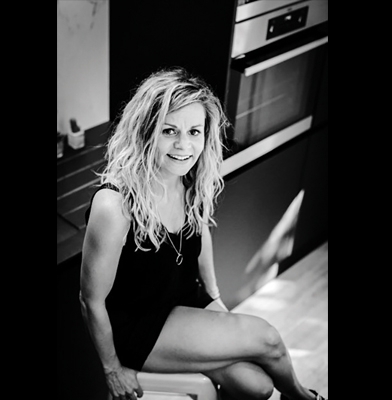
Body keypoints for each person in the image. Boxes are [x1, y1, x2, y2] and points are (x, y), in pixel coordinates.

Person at [79, 67, 327, 400]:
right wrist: (112, 369)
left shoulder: (190, 179)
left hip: (183, 304)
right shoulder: (115, 204)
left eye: (194, 131)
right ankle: (306, 398)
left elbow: (200, 233)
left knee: (257, 387)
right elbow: (90, 300)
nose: (184, 145)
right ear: (145, 131)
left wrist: (213, 297)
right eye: (169, 130)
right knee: (268, 339)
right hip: (137, 327)